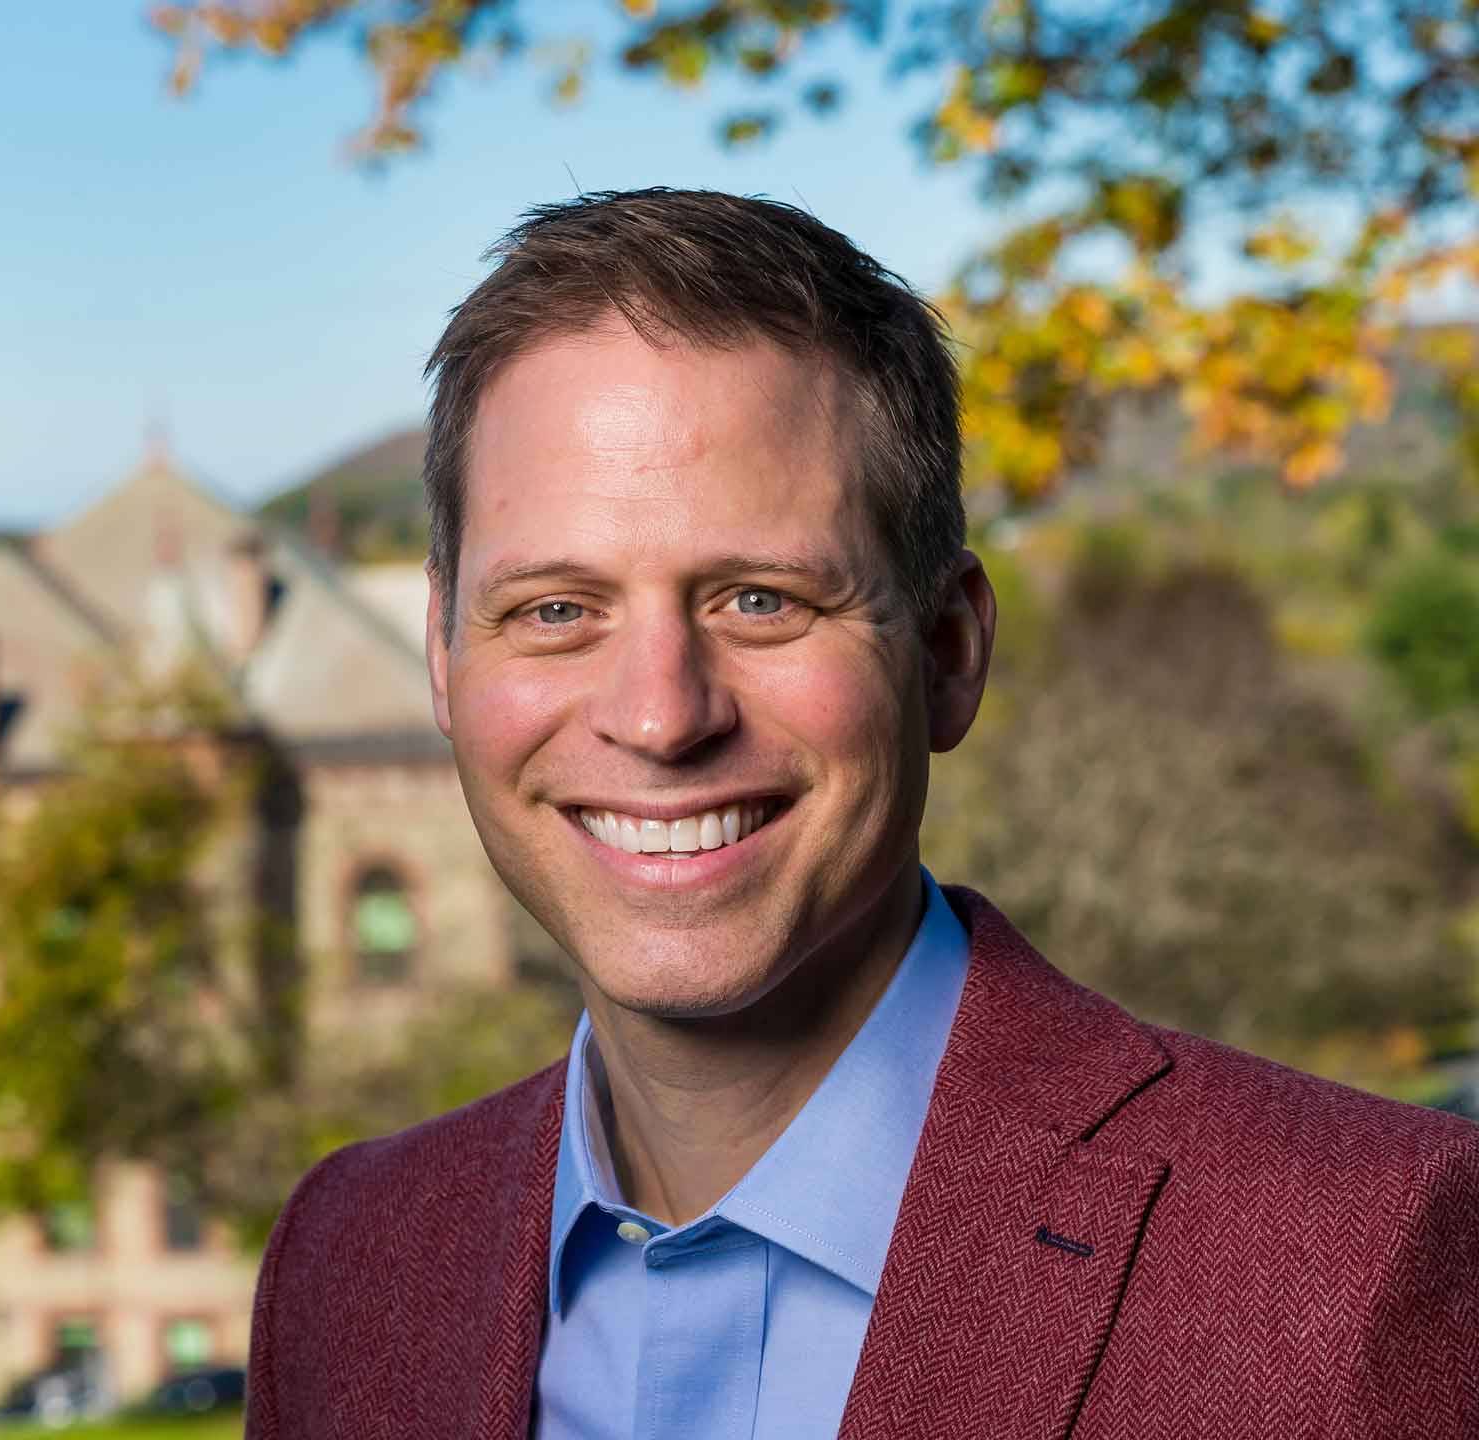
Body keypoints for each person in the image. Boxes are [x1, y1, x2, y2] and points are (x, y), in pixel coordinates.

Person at [245, 189, 1479, 1438]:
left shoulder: (1359, 1260)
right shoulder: (348, 1262)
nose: (660, 718)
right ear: (447, 662)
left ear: (947, 652)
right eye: (556, 610)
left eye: (762, 600)